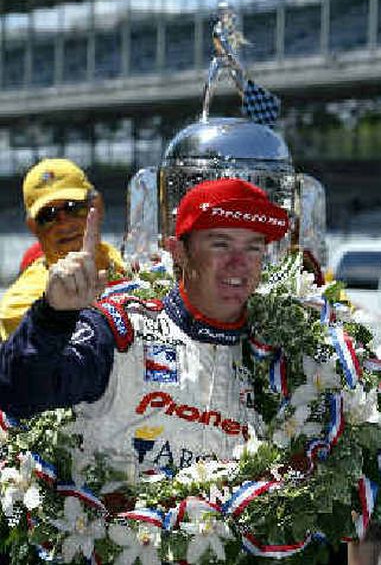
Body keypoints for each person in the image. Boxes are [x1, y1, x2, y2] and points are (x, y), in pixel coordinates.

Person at [0, 178, 289, 476]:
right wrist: (53, 316)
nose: (238, 263)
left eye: (253, 248)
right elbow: (20, 394)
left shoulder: (285, 356)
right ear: (178, 251)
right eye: (221, 244)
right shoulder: (120, 330)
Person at [0, 158, 128, 340]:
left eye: (73, 208)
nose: (64, 224)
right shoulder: (20, 304)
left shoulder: (130, 261)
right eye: (48, 216)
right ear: (33, 227)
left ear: (97, 206)